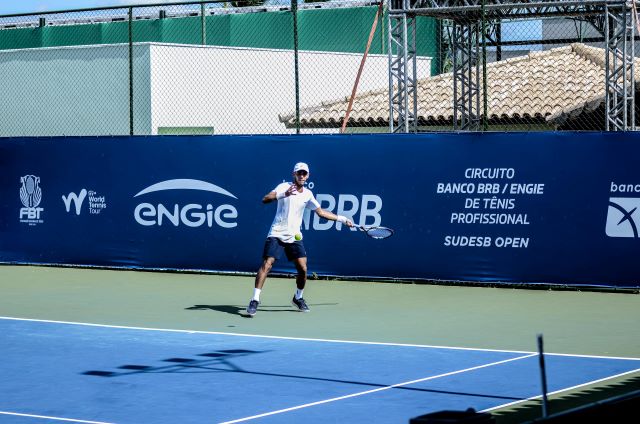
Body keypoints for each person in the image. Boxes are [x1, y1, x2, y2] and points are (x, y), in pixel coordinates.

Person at [246, 162, 353, 316]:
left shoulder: (308, 194)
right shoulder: (283, 187)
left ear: (308, 175)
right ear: (293, 174)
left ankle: (298, 297)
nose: (302, 176)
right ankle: (255, 300)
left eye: (304, 173)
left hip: (295, 235)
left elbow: (321, 212)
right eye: (299, 173)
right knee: (267, 264)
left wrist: (342, 219)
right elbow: (265, 199)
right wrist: (284, 194)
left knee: (303, 269)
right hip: (277, 233)